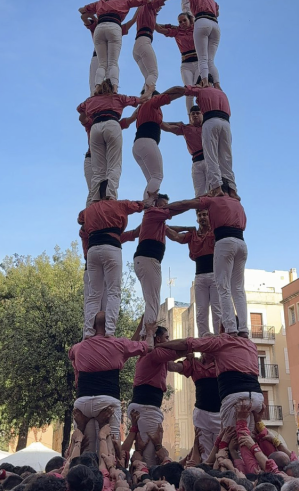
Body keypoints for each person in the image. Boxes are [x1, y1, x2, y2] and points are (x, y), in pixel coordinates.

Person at [166, 194, 247, 334]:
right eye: (200, 215)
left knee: (217, 309)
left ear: (210, 216)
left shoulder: (216, 232)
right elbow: (175, 236)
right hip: (199, 276)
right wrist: (167, 225)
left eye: (205, 214)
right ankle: (204, 338)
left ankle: (219, 335)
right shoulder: (193, 235)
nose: (203, 217)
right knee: (201, 311)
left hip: (216, 273)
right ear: (197, 218)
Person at [70, 311, 150, 444]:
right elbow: (146, 346)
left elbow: (71, 354)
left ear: (93, 327)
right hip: (107, 400)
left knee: (84, 447)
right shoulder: (119, 345)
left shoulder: (79, 347)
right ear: (110, 326)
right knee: (111, 447)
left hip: (82, 401)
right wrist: (149, 331)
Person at [120, 193, 186, 340]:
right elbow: (176, 212)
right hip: (148, 259)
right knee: (153, 300)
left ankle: (144, 333)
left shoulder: (158, 223)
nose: (164, 208)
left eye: (165, 206)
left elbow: (171, 230)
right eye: (162, 205)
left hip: (146, 260)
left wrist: (190, 228)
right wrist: (196, 203)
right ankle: (147, 336)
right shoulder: (151, 214)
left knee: (151, 299)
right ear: (155, 205)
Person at [79, 198, 145, 337]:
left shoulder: (89, 210)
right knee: (113, 291)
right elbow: (138, 206)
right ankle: (109, 331)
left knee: (94, 294)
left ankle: (88, 332)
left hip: (93, 249)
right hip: (111, 247)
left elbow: (80, 219)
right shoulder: (119, 204)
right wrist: (147, 202)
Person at [126, 326, 182, 465]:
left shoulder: (151, 357)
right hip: (147, 408)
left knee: (142, 449)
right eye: (166, 338)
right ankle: (146, 482)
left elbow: (174, 366)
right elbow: (179, 349)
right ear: (158, 339)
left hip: (144, 406)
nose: (169, 341)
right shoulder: (156, 353)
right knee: (149, 458)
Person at [79, 0, 155, 93]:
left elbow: (82, 13)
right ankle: (114, 89)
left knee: (102, 65)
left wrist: (98, 14)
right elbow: (136, 11)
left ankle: (96, 89)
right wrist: (143, 5)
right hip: (114, 27)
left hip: (99, 42)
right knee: (113, 64)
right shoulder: (123, 1)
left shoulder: (98, 8)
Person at [77, 83, 141, 201]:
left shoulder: (91, 100)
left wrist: (92, 106)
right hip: (112, 123)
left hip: (96, 127)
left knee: (98, 170)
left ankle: (95, 198)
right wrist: (148, 93)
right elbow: (138, 100)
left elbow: (79, 109)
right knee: (114, 165)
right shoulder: (118, 97)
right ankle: (110, 195)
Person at [130, 87, 185, 202]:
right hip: (147, 142)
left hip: (138, 146)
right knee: (157, 176)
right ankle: (148, 205)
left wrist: (182, 127)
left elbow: (166, 126)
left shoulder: (145, 110)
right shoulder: (151, 103)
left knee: (151, 179)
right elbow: (169, 96)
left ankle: (146, 206)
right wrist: (186, 91)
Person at [161, 0, 220, 86]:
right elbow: (217, 12)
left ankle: (205, 83)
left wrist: (159, 1)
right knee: (210, 60)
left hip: (202, 21)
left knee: (202, 58)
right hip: (215, 25)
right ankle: (217, 84)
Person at [180, 84, 236, 196]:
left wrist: (164, 97)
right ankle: (232, 189)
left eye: (197, 113)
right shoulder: (221, 93)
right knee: (226, 157)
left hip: (211, 121)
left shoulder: (201, 91)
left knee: (211, 157)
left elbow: (185, 92)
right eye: (193, 114)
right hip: (225, 122)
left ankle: (217, 187)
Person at [128, 0, 170, 99]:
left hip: (137, 46)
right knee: (154, 73)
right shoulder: (147, 8)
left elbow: (159, 28)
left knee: (148, 76)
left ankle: (145, 95)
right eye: (158, 5)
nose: (160, 7)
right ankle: (146, 96)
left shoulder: (150, 15)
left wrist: (174, 28)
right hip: (143, 42)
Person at [163, 106, 208, 196]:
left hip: (210, 159)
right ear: (190, 116)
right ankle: (201, 210)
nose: (195, 115)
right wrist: (176, 123)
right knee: (199, 193)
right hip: (196, 162)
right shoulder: (186, 128)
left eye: (197, 113)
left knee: (214, 188)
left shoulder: (208, 125)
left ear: (202, 114)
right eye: (193, 114)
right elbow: (165, 126)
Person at [156, 14, 199, 109]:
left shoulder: (197, 28)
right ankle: (190, 117)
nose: (182, 23)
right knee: (188, 91)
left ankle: (202, 116)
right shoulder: (177, 31)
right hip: (186, 65)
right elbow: (159, 28)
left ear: (190, 20)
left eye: (184, 20)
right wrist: (169, 25)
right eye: (180, 22)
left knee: (199, 90)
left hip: (199, 64)